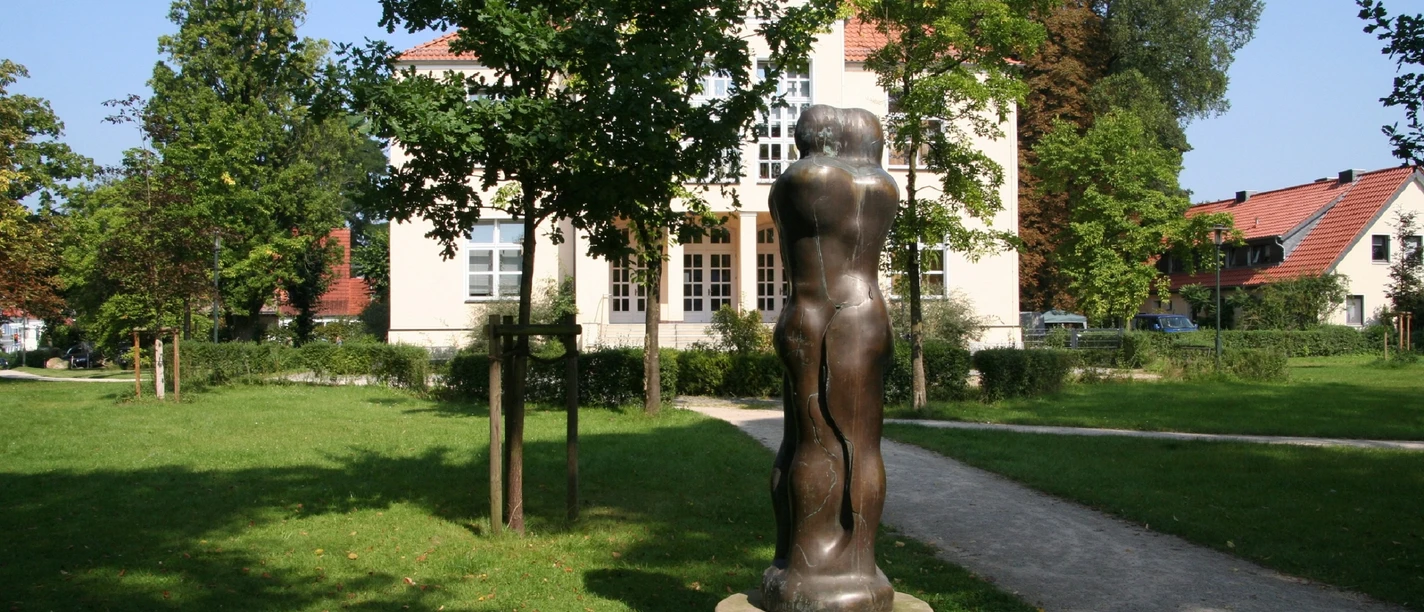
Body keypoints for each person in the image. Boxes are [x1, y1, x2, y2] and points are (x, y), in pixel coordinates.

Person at [762, 105, 899, 612]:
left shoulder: (802, 178)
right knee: (857, 446)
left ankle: (806, 567)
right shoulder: (882, 189)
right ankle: (857, 565)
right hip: (868, 318)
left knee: (812, 442)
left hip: (818, 318)